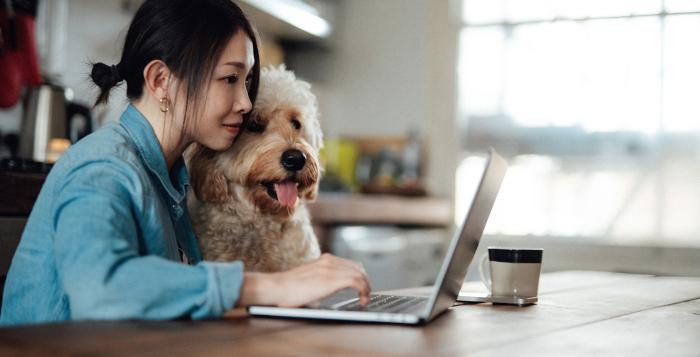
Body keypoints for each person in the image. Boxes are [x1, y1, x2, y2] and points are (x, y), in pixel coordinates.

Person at [0, 0, 370, 325]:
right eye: (230, 78)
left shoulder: (168, 177)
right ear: (161, 80)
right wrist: (270, 286)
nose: (244, 101)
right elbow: (100, 289)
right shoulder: (103, 168)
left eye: (247, 81)